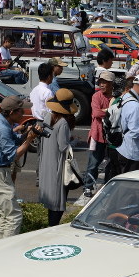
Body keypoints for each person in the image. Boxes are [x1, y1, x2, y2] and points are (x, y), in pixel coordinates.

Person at [0, 96, 34, 240]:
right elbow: (13, 156)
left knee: (5, 215)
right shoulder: (2, 128)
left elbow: (11, 139)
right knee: (14, 215)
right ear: (11, 113)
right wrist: (29, 139)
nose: (23, 113)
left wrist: (24, 134)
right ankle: (6, 252)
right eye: (21, 111)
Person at [39, 88, 78, 226]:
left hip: (46, 162)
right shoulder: (63, 123)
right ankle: (52, 227)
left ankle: (50, 225)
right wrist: (73, 142)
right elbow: (63, 147)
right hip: (57, 164)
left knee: (50, 200)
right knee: (58, 199)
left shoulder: (48, 117)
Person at [83, 71, 115, 197]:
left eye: (105, 82)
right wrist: (110, 111)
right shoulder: (96, 96)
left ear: (111, 83)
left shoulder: (115, 96)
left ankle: (107, 185)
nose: (102, 84)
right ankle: (88, 186)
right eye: (100, 82)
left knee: (111, 163)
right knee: (93, 162)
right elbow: (96, 113)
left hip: (112, 135)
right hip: (98, 134)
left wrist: (105, 111)